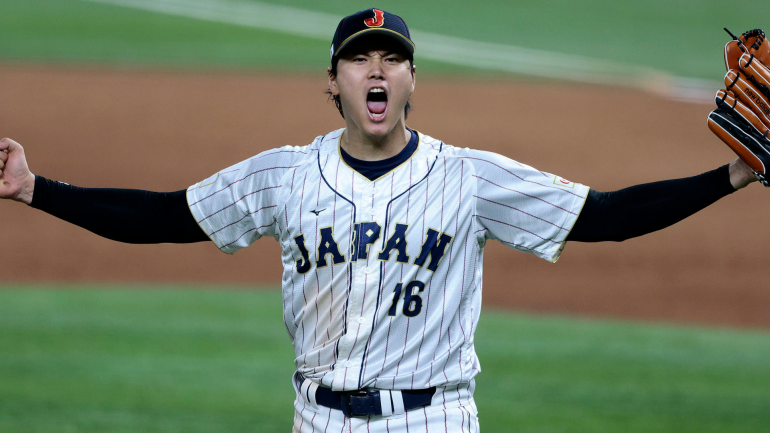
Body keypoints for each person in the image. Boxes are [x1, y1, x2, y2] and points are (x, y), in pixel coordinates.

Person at [0, 8, 757, 433]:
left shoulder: (469, 177)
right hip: (317, 419)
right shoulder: (283, 175)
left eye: (391, 58)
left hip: (435, 419)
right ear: (332, 82)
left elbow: (607, 216)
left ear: (411, 80)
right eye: (360, 58)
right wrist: (39, 189)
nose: (376, 69)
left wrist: (735, 174)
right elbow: (163, 217)